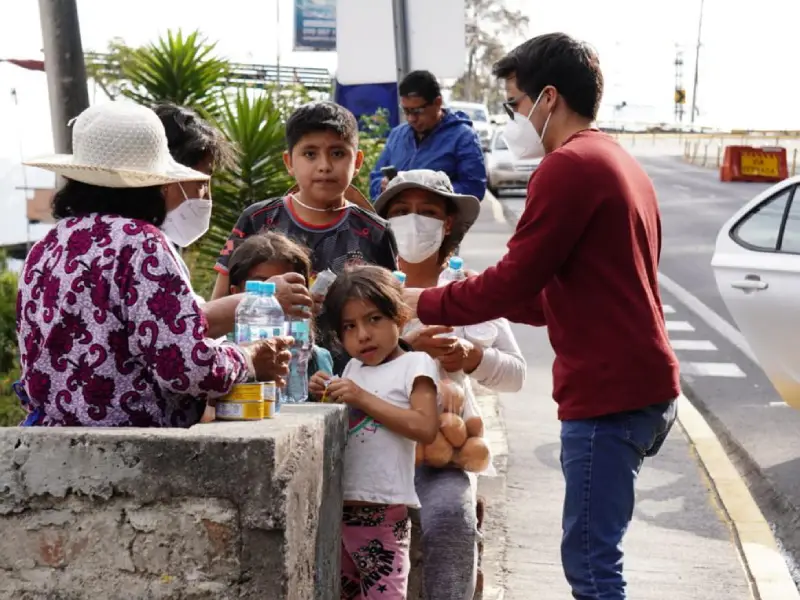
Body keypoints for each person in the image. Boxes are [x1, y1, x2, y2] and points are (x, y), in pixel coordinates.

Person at [403, 33, 680, 600]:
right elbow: (555, 292)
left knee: (592, 567)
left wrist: (418, 302)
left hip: (611, 395)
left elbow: (513, 278)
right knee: (596, 556)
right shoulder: (618, 161)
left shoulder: (568, 167)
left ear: (548, 98)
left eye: (515, 104)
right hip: (641, 386)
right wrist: (460, 298)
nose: (513, 118)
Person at [16, 102, 293, 427]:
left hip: (52, 447)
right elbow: (184, 368)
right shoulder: (141, 244)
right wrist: (248, 356)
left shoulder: (46, 246)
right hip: (130, 456)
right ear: (158, 183)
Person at [375, 169, 526, 599]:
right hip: (373, 447)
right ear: (384, 222)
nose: (413, 220)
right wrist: (404, 346)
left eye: (427, 212)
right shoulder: (368, 285)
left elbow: (516, 373)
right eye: (401, 212)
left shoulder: (466, 289)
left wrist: (471, 357)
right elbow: (340, 360)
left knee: (452, 517)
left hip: (444, 458)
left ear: (447, 224)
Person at [211, 101, 398, 373]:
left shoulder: (376, 231)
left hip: (358, 381)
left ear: (357, 161)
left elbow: (392, 314)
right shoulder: (258, 220)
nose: (324, 166)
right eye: (310, 154)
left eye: (337, 153)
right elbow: (219, 303)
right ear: (289, 162)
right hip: (272, 377)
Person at [309, 265, 439, 599]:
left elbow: (424, 427)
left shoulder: (416, 365)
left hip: (383, 518)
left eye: (374, 319)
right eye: (349, 327)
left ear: (399, 316)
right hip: (340, 515)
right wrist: (323, 393)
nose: (363, 335)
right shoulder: (352, 369)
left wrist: (361, 397)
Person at [154, 102, 312, 337]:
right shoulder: (141, 247)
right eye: (200, 183)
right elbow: (178, 331)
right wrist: (265, 299)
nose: (207, 196)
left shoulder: (157, 244)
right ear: (165, 178)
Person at [227, 231, 335, 380]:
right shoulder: (221, 360)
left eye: (288, 286)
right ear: (236, 294)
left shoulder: (318, 359)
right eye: (263, 287)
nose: (275, 300)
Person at [369, 70, 487, 202]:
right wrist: (382, 186)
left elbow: (474, 189)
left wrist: (432, 192)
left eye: (417, 111)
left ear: (437, 102)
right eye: (406, 111)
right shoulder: (397, 134)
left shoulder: (463, 137)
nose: (411, 118)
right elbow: (375, 178)